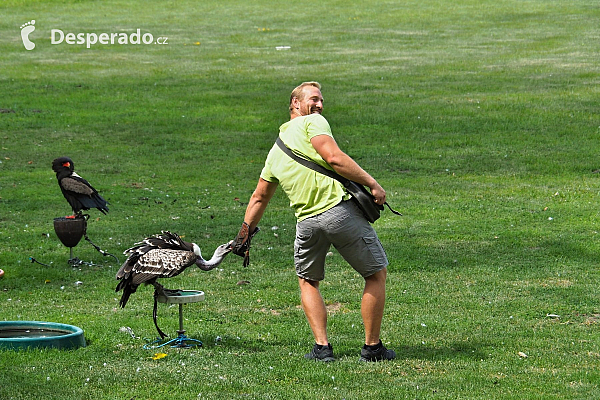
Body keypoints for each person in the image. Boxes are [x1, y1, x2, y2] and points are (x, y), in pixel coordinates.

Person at [232, 81, 395, 362]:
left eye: (321, 101)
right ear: (295, 104)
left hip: (306, 223)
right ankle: (372, 348)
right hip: (338, 213)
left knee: (308, 281)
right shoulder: (313, 123)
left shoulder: (274, 152)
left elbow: (259, 197)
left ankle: (322, 348)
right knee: (375, 274)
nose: (319, 105)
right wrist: (373, 184)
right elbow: (333, 157)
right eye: (314, 99)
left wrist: (243, 234)